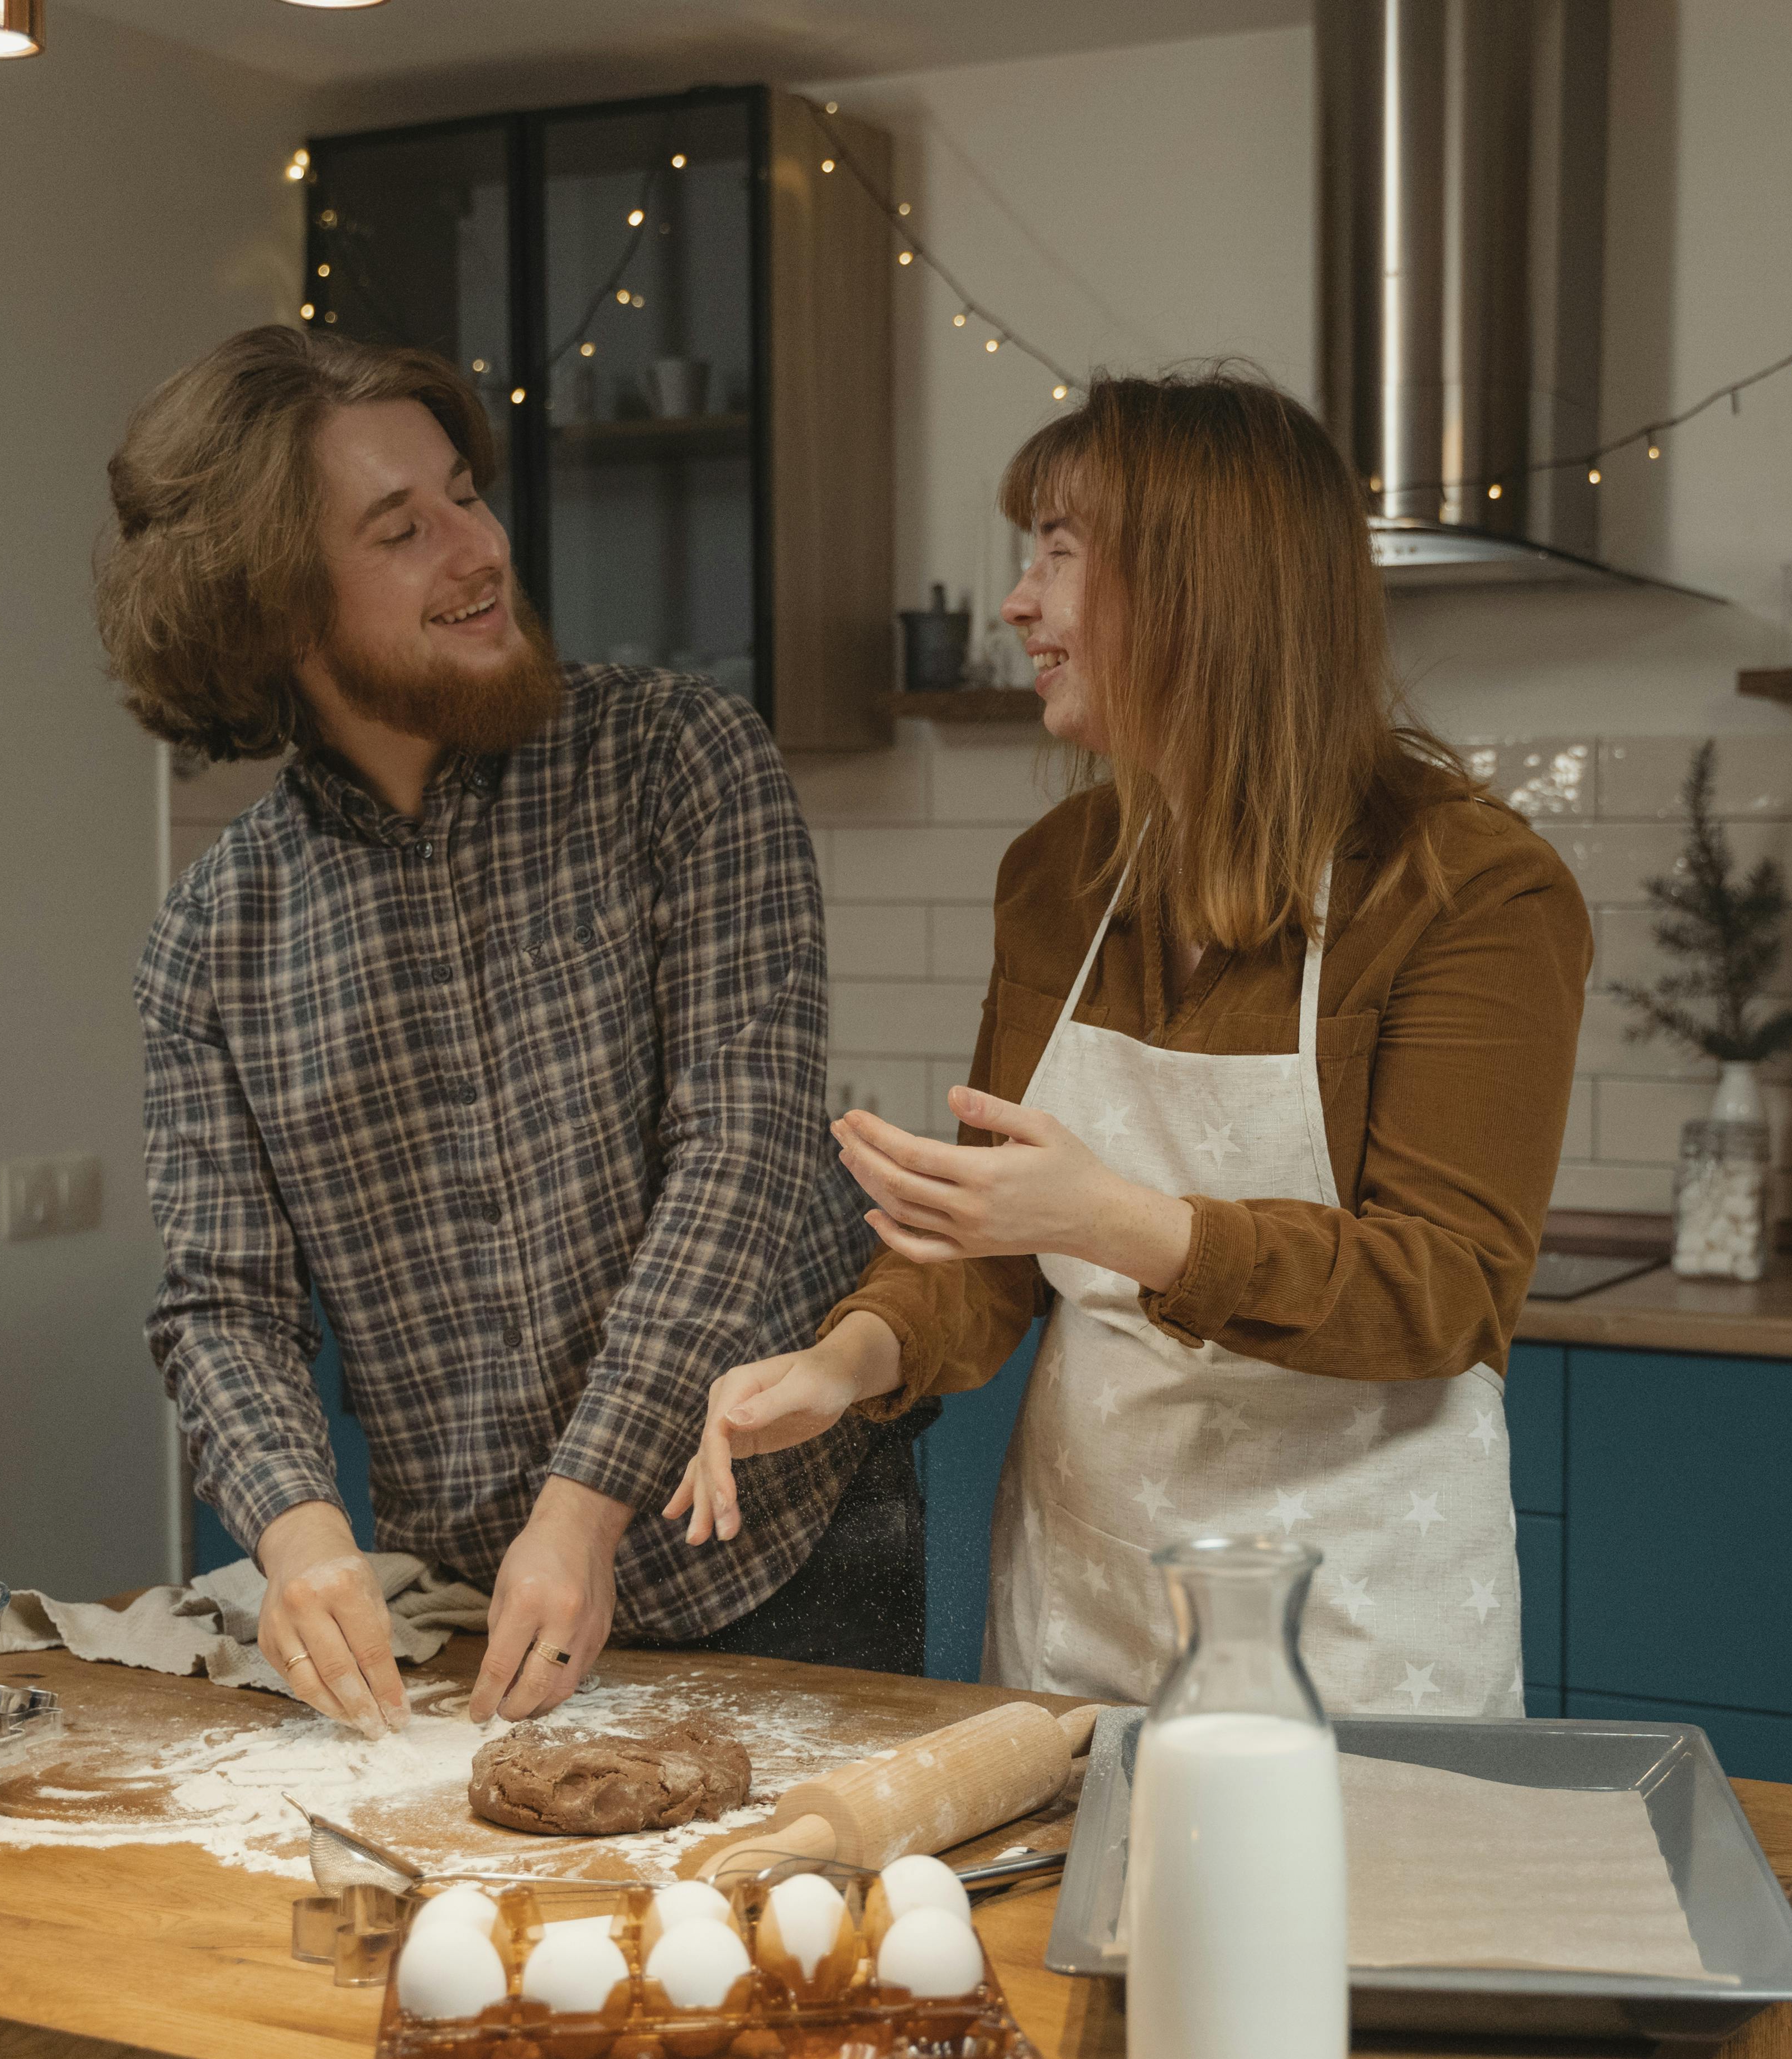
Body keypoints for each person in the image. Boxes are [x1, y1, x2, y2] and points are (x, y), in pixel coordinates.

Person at [664, 367, 1588, 1716]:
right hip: (1084, 1611)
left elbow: (1445, 1291)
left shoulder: (1467, 887)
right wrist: (847, 1358)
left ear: (1195, 584)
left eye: (1056, 551)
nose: (1018, 603)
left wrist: (1118, 1218)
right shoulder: (1062, 873)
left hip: (1351, 1630)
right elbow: (991, 1251)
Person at [104, 327, 913, 1739]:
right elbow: (221, 1300)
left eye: (464, 495)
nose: (475, 548)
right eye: (399, 529)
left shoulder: (681, 762)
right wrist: (301, 1540)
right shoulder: (211, 940)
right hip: (479, 1598)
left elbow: (742, 1150)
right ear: (275, 610)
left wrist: (584, 1503)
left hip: (791, 1558)